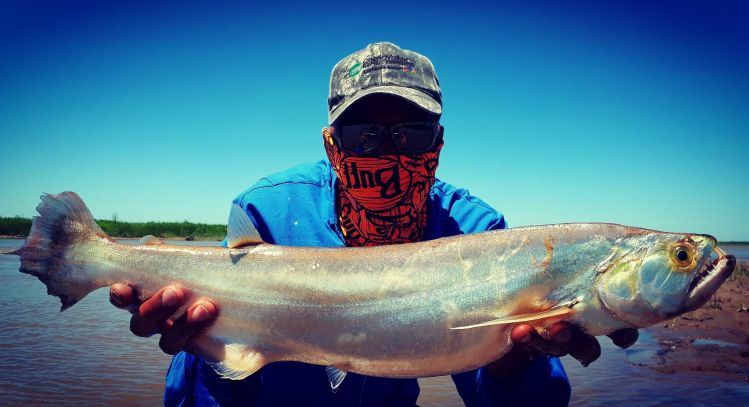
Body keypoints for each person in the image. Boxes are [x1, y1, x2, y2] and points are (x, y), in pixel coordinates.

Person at [110, 42, 639, 406]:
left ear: (438, 144)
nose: (387, 153)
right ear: (330, 145)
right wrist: (195, 337)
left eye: (410, 134)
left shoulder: (484, 237)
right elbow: (214, 357)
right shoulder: (267, 210)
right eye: (364, 136)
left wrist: (512, 361)